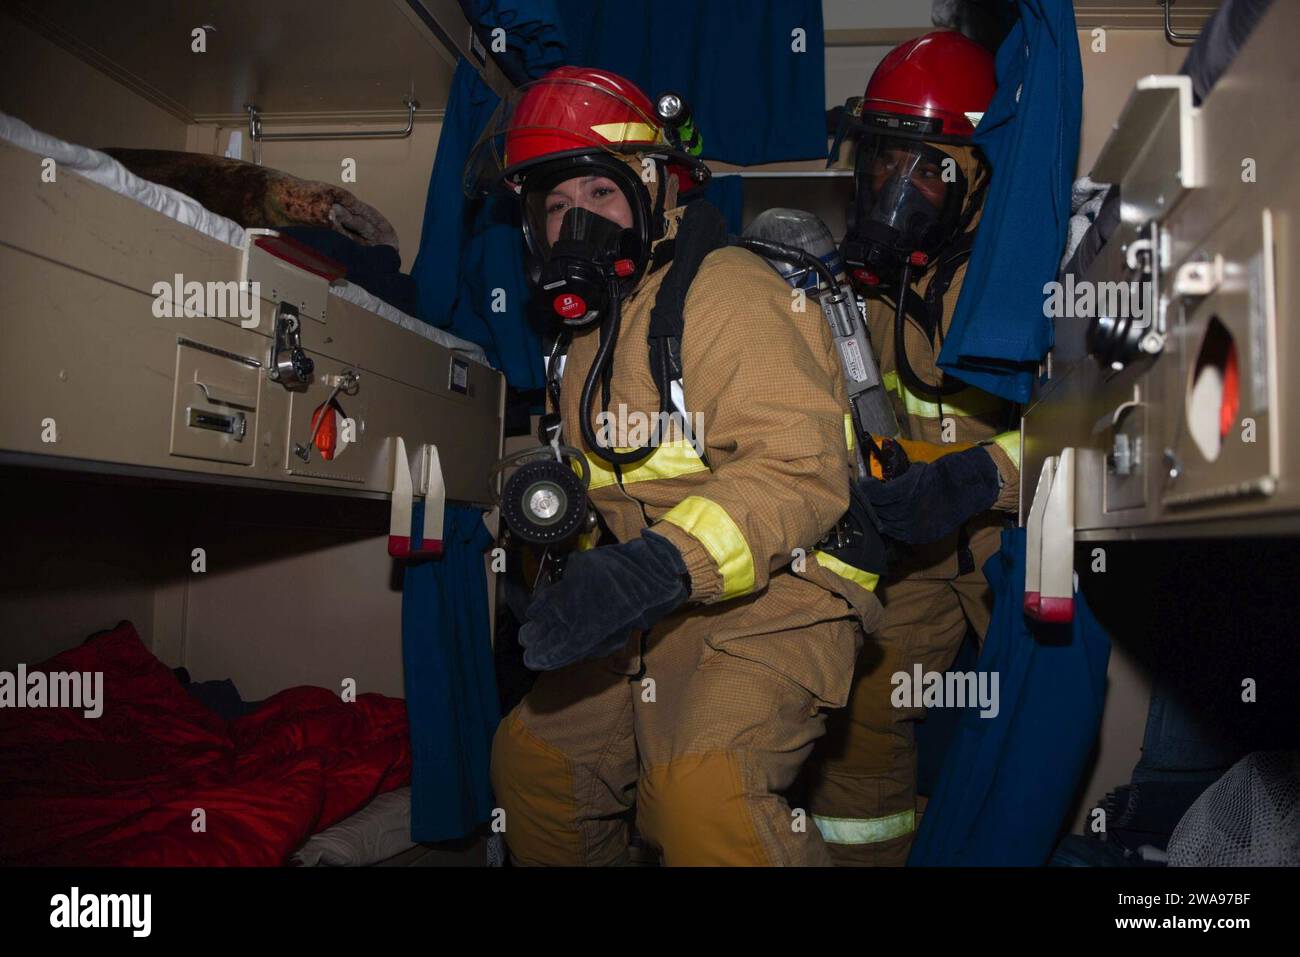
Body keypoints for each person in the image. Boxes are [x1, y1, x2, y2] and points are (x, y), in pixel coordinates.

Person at [468, 66, 882, 865]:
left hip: (783, 590)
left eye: (598, 195)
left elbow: (800, 471)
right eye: (554, 206)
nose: (574, 223)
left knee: (700, 795)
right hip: (658, 605)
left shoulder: (728, 291)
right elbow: (616, 476)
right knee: (535, 766)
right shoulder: (582, 337)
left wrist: (652, 567)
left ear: (657, 191)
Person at [802, 31, 1022, 866]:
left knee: (1022, 721)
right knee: (861, 710)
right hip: (922, 536)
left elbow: (1097, 427)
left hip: (1014, 530)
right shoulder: (884, 285)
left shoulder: (1013, 278)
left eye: (926, 166)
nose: (899, 186)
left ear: (977, 177)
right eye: (887, 162)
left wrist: (980, 477)